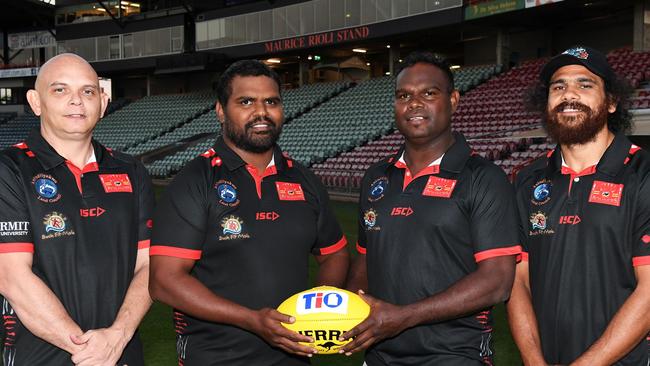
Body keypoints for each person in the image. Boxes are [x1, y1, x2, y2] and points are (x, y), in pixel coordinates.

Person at [148, 59, 350, 366]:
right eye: (246, 102)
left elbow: (334, 254)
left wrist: (318, 305)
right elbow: (164, 281)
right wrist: (252, 320)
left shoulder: (304, 179)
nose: (261, 112)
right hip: (216, 357)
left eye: (271, 101)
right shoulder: (194, 181)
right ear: (220, 110)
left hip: (292, 356)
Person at [342, 51, 521, 365]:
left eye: (428, 93)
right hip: (380, 354)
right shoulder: (376, 177)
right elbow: (366, 260)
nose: (414, 103)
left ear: (453, 100)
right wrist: (349, 312)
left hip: (453, 355)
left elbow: (497, 281)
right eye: (404, 95)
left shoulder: (483, 178)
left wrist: (404, 316)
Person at [0, 53, 154, 365]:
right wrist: (89, 351)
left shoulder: (131, 171)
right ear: (35, 101)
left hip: (121, 353)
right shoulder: (9, 169)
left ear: (104, 102)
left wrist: (118, 336)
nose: (77, 101)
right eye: (60, 90)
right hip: (43, 356)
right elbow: (12, 277)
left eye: (88, 91)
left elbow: (150, 266)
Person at [508, 45, 650, 365]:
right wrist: (533, 361)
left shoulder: (643, 174)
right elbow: (517, 280)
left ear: (612, 102)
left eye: (585, 84)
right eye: (558, 86)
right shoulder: (528, 180)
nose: (569, 94)